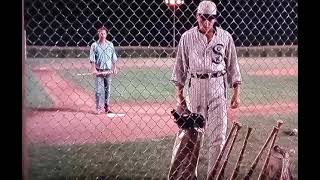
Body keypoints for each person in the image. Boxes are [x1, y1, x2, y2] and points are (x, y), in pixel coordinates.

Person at [168, 1, 242, 179]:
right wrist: (179, 96)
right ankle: (187, 176)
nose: (207, 22)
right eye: (203, 18)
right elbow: (180, 67)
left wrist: (236, 93)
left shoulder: (225, 37)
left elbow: (233, 66)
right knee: (191, 136)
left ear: (215, 19)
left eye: (211, 18)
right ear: (197, 16)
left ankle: (214, 176)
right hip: (195, 87)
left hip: (218, 87)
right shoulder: (187, 37)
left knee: (218, 138)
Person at [89, 26, 118, 114]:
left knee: (107, 90)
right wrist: (94, 69)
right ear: (98, 34)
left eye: (104, 33)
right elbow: (92, 58)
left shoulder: (110, 45)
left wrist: (115, 68)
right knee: (98, 91)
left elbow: (114, 57)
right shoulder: (94, 45)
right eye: (101, 33)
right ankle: (98, 107)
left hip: (108, 70)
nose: (102, 35)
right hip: (99, 70)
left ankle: (107, 106)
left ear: (106, 34)